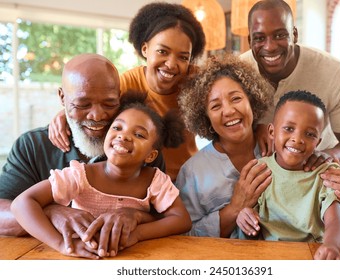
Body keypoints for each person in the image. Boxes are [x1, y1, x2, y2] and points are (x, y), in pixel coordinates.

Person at [0, 54, 162, 255]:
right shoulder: (33, 146)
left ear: (119, 96)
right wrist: (49, 212)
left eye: (109, 104)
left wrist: (134, 215)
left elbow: (165, 215)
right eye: (83, 104)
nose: (97, 115)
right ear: (62, 97)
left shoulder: (140, 147)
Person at [176, 55, 340, 239]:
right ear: (205, 117)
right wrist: (234, 209)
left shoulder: (285, 147)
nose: (228, 111)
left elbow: (322, 211)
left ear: (252, 100)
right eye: (215, 106)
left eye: (236, 98)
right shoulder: (193, 173)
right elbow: (185, 235)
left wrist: (331, 175)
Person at [11, 92, 191, 259]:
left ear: (151, 155)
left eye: (138, 134)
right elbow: (22, 203)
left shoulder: (155, 180)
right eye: (118, 127)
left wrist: (137, 234)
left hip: (133, 258)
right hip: (81, 258)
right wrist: (61, 244)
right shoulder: (79, 175)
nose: (124, 136)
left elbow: (181, 220)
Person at [48, 2, 206, 181]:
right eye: (163, 51)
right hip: (142, 182)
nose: (171, 64)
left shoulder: (196, 81)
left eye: (183, 57)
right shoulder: (127, 83)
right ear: (145, 49)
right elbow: (95, 104)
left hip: (189, 180)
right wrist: (63, 114)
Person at [241, 0, 340, 168]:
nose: (269, 47)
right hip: (256, 177)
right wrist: (253, 129)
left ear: (294, 34)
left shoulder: (333, 71)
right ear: (250, 40)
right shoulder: (238, 72)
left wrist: (328, 157)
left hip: (313, 178)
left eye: (280, 35)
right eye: (260, 38)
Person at [236, 90, 340, 260]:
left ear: (319, 142)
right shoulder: (260, 170)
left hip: (312, 256)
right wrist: (244, 217)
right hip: (268, 258)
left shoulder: (326, 174)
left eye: (310, 134)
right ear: (272, 132)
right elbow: (251, 227)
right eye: (289, 128)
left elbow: (335, 222)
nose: (297, 139)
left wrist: (331, 245)